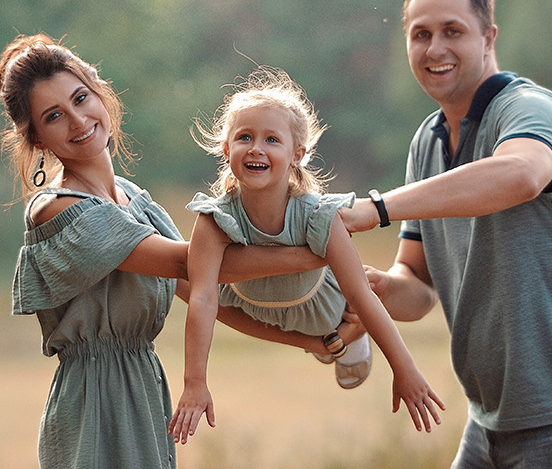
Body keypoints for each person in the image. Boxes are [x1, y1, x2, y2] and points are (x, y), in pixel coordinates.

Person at [339, 0, 552, 468]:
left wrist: (377, 209)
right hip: (491, 419)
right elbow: (417, 284)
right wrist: (370, 290)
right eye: (421, 35)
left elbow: (521, 174)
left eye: (453, 31)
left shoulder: (529, 109)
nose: (435, 47)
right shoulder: (427, 141)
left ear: (489, 37)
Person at [0, 33, 336, 469]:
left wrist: (313, 341)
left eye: (81, 98)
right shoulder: (58, 209)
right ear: (38, 138)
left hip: (145, 393)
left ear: (99, 91)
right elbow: (187, 261)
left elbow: (204, 291)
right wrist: (322, 248)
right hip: (92, 408)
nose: (78, 120)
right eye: (54, 116)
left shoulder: (134, 199)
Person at [168, 67, 445, 445]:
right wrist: (194, 382)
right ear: (225, 149)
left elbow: (361, 294)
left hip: (323, 308)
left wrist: (405, 369)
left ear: (297, 154)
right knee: (178, 277)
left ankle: (345, 340)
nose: (256, 148)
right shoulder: (215, 220)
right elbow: (202, 298)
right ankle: (325, 343)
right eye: (244, 137)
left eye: (271, 139)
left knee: (362, 288)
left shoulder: (318, 215)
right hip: (254, 307)